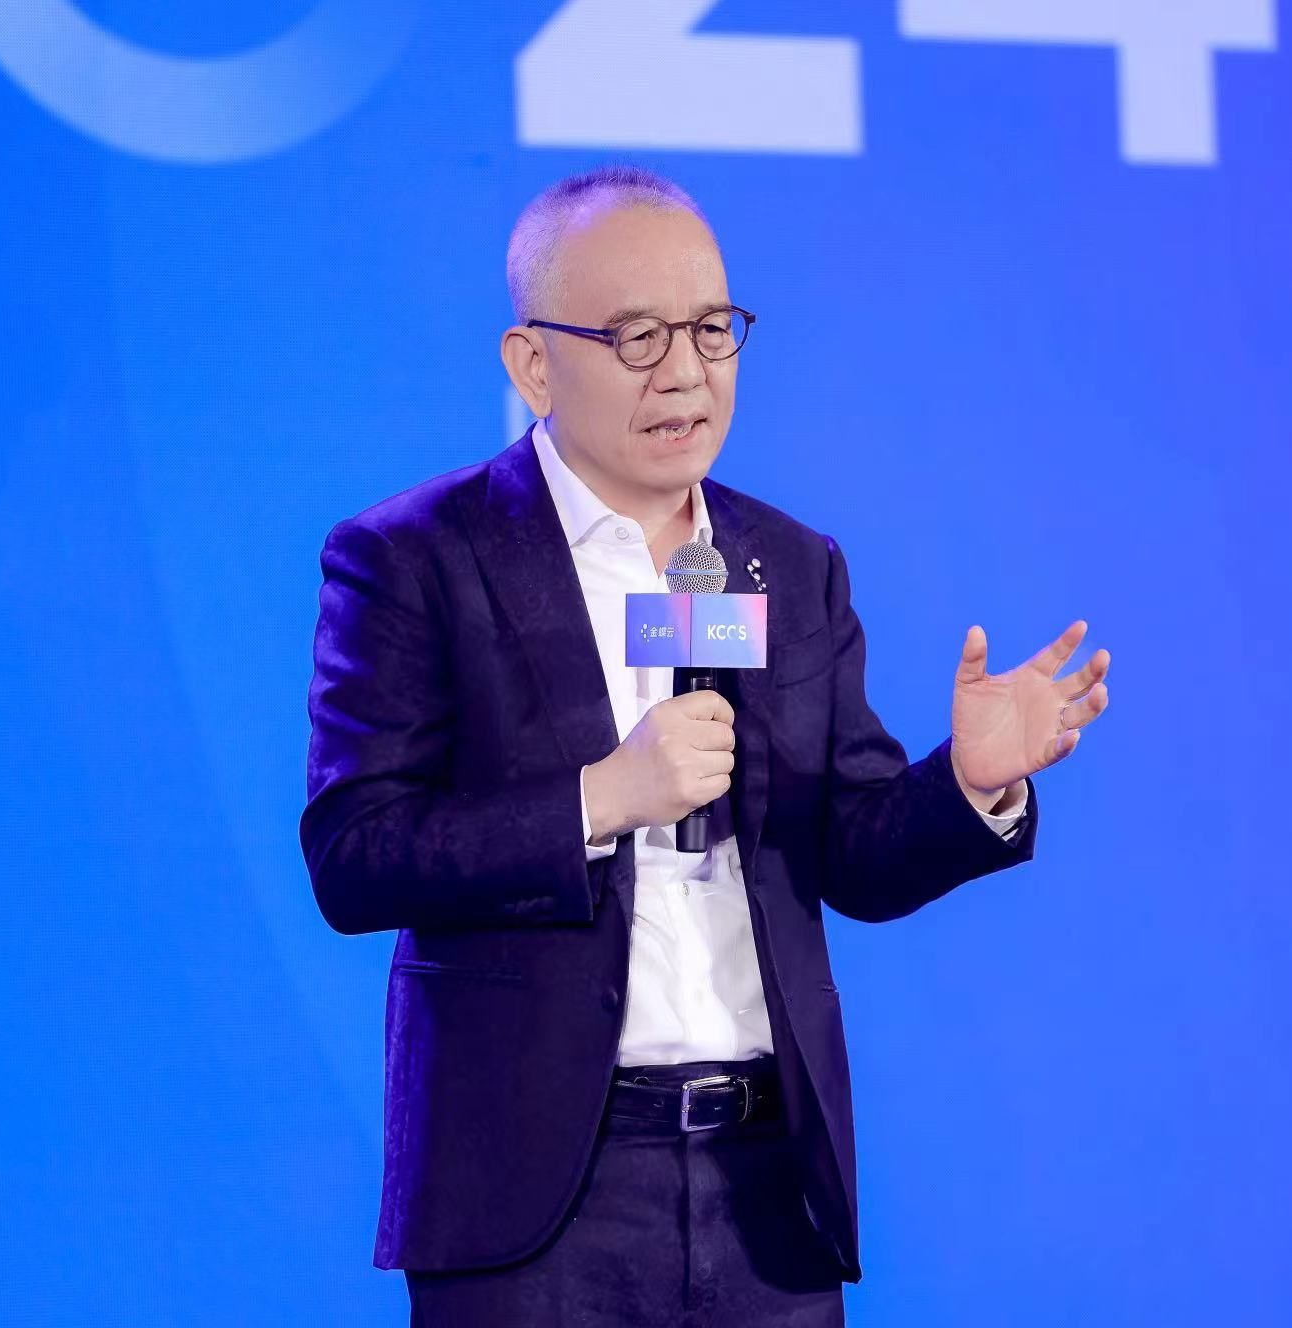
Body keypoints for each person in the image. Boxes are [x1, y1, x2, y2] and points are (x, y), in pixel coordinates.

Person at [301, 165, 1111, 1327]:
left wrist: (968, 783)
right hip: (536, 1207)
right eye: (636, 337)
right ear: (533, 364)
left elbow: (853, 850)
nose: (684, 370)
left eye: (711, 330)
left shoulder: (789, 563)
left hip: (766, 1198)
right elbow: (357, 852)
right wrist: (600, 797)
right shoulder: (419, 556)